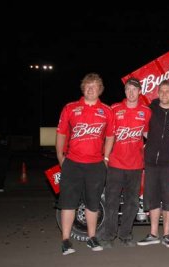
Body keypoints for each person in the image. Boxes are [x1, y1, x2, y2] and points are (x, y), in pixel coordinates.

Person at [55, 72, 114, 255]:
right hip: (72, 163)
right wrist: (60, 158)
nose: (90, 89)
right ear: (83, 88)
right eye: (88, 86)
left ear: (100, 89)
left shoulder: (106, 110)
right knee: (68, 203)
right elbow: (61, 134)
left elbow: (111, 136)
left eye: (94, 86)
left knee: (93, 203)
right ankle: (65, 240)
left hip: (96, 165)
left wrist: (105, 158)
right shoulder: (70, 108)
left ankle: (92, 237)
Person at [99, 77, 151, 248]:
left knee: (132, 203)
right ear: (125, 91)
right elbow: (107, 134)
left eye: (134, 89)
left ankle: (126, 235)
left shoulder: (146, 111)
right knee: (111, 202)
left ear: (140, 92)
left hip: (136, 166)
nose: (131, 92)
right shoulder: (114, 109)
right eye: (128, 89)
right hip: (115, 164)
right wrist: (105, 157)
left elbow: (148, 136)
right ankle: (108, 236)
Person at [137, 80, 169, 248]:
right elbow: (143, 130)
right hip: (151, 162)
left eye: (168, 91)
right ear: (158, 93)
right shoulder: (150, 110)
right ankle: (153, 234)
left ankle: (166, 234)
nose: (165, 94)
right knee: (152, 198)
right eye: (162, 91)